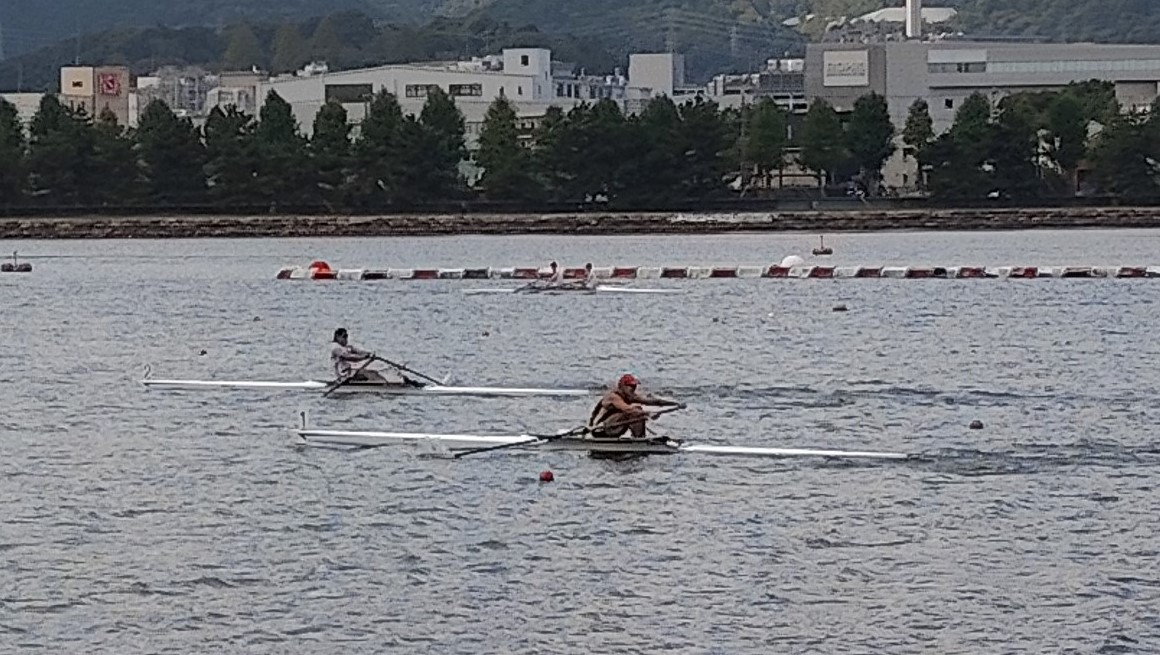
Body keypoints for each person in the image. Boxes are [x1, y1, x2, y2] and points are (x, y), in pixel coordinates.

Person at [587, 374, 684, 439]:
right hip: (601, 430)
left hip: (613, 427)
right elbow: (628, 410)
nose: (633, 389)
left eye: (634, 387)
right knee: (635, 411)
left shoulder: (629, 396)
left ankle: (640, 438)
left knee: (637, 410)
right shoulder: (614, 397)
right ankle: (639, 440)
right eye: (631, 386)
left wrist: (675, 404)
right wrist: (648, 413)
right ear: (622, 386)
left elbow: (653, 401)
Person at [330, 328, 421, 386]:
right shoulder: (335, 348)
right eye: (344, 336)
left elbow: (359, 351)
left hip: (352, 371)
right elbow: (349, 357)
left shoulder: (348, 347)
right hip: (345, 375)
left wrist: (369, 354)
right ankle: (387, 387)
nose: (346, 339)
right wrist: (363, 357)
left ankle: (407, 382)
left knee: (385, 370)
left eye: (347, 336)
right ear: (337, 336)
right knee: (372, 374)